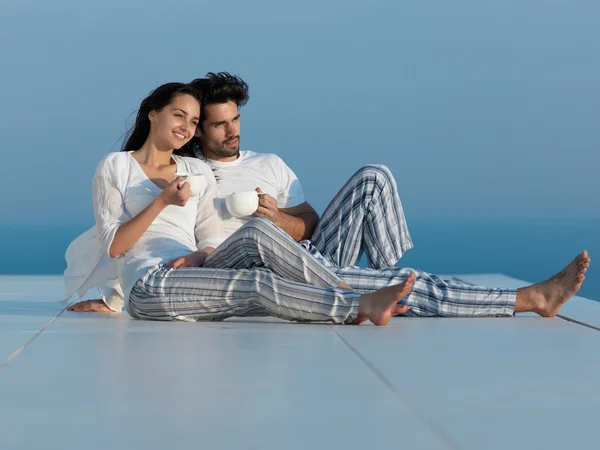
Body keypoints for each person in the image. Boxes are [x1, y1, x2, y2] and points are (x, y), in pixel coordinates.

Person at [64, 79, 590, 320]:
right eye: (197, 120)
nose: (198, 128)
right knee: (257, 248)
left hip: (268, 257)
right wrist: (111, 297)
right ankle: (365, 292)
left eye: (199, 119)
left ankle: (507, 297)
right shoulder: (137, 168)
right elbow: (116, 245)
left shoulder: (208, 171)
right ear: (154, 114)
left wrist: (271, 216)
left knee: (362, 183)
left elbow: (286, 228)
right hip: (193, 270)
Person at [65, 80, 420, 326]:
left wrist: (201, 254)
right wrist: (162, 202)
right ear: (152, 114)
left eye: (191, 120)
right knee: (255, 285)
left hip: (198, 272)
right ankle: (358, 302)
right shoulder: (116, 165)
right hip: (150, 281)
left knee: (257, 231)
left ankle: (344, 287)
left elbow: (207, 233)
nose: (185, 126)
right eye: (179, 115)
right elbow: (114, 245)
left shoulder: (193, 169)